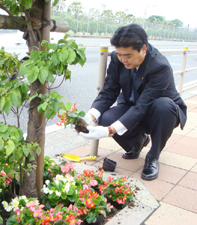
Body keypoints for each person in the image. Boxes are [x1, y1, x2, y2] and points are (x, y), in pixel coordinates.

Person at [79, 24, 187, 181]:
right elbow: (109, 91)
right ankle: (138, 142)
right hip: (131, 106)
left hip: (157, 112)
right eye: (119, 54)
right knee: (107, 117)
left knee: (164, 107)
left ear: (143, 49)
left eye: (127, 56)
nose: (123, 60)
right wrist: (87, 118)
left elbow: (143, 105)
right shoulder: (118, 58)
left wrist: (109, 131)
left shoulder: (160, 66)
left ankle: (153, 156)